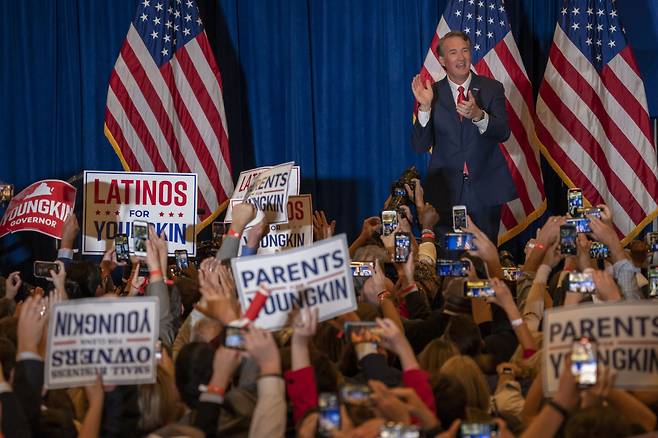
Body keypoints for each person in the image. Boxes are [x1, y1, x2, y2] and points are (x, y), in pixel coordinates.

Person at [411, 31, 516, 244]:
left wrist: (479, 115)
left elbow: (503, 132)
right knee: (449, 257)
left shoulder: (491, 88)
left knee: (484, 255)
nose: (461, 58)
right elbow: (421, 145)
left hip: (485, 190)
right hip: (445, 192)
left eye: (465, 51)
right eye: (453, 52)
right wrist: (425, 107)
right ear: (442, 60)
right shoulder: (433, 93)